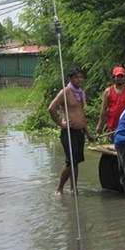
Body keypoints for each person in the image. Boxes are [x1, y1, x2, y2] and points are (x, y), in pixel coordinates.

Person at [48, 67, 96, 195]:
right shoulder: (65, 92)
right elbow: (51, 108)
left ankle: (74, 188)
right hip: (69, 133)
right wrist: (61, 124)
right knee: (70, 162)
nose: (79, 80)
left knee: (76, 162)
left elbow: (81, 115)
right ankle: (59, 189)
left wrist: (88, 133)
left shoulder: (80, 93)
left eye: (81, 77)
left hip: (80, 132)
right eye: (76, 77)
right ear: (70, 79)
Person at [95, 66, 125, 138]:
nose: (120, 79)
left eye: (121, 76)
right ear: (114, 77)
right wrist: (100, 125)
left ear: (124, 77)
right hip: (112, 127)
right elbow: (103, 110)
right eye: (118, 76)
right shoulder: (108, 91)